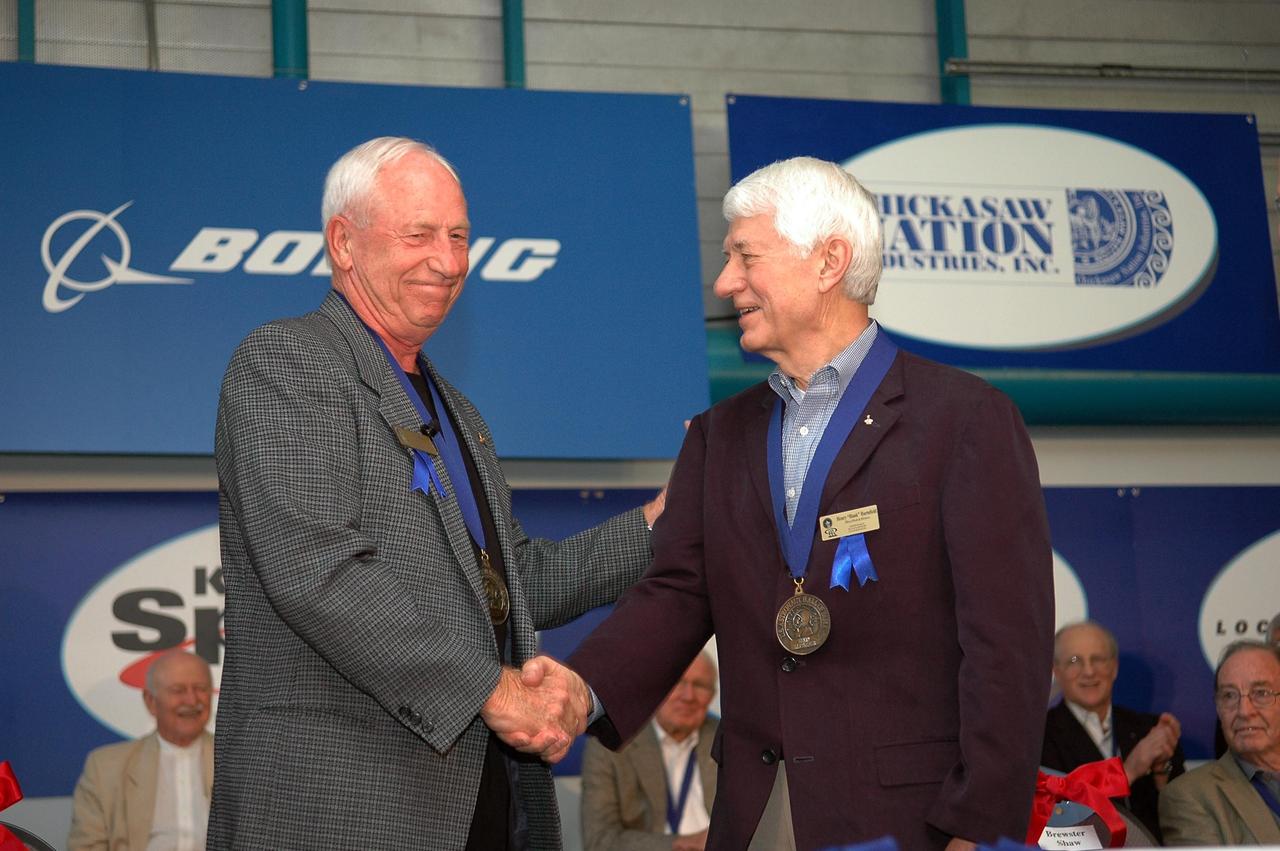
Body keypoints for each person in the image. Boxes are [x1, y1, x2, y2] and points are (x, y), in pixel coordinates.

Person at [564, 156, 1055, 850]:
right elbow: (675, 595)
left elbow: (1008, 647)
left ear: (829, 262)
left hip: (914, 820)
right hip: (755, 812)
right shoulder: (719, 434)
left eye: (745, 256)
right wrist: (577, 692)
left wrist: (978, 826)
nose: (724, 281)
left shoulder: (965, 420)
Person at [209, 136, 661, 851]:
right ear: (343, 243)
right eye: (419, 234)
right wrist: (495, 690)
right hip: (342, 811)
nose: (447, 262)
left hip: (486, 809)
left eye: (458, 237)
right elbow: (319, 572)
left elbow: (512, 586)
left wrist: (658, 523)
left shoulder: (458, 411)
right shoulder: (288, 362)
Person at [1041, 621, 1184, 843]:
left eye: (1098, 659)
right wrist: (1129, 770)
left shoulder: (1149, 729)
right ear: (1056, 671)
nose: (1088, 671)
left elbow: (1180, 817)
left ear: (1114, 667)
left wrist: (1161, 770)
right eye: (1074, 661)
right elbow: (1057, 818)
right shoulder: (1039, 737)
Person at [68, 650, 214, 851]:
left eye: (200, 688)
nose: (191, 700)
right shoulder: (105, 768)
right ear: (151, 701)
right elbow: (85, 847)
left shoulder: (241, 761)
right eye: (178, 690)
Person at [580, 652, 720, 851]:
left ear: (712, 695)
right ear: (657, 688)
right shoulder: (610, 746)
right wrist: (683, 844)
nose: (688, 696)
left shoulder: (728, 741)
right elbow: (600, 841)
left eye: (700, 685)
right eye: (678, 682)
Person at [1160, 641, 1280, 845]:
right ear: (1218, 708)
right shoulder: (1190, 795)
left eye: (1261, 693)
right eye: (1229, 696)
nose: (1244, 711)